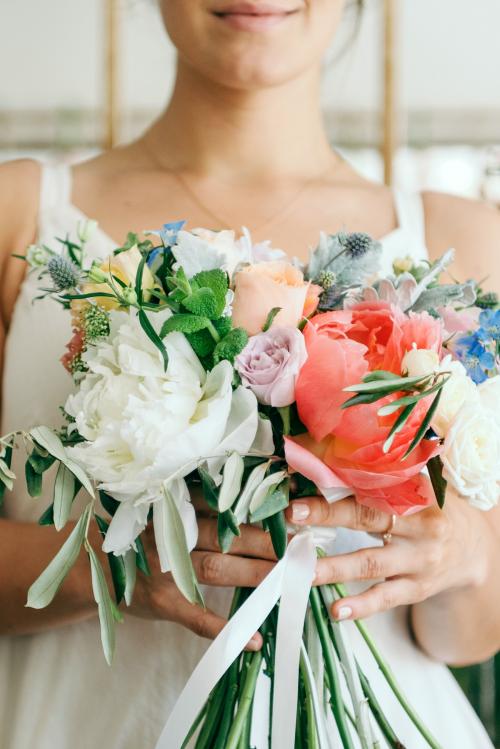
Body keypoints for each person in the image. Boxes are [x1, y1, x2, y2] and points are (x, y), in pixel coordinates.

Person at [1, 1, 499, 747]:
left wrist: (464, 552)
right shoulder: (21, 214)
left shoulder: (464, 240)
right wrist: (114, 568)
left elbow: (467, 637)